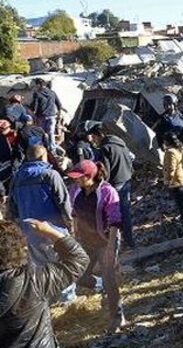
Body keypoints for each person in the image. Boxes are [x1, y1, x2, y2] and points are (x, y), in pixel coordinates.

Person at [0, 219, 88, 348]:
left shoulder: (34, 279)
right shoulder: (35, 280)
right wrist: (52, 232)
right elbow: (79, 260)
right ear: (21, 248)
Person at [67, 160, 126, 333]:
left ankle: (118, 316)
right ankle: (100, 286)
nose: (76, 180)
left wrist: (110, 248)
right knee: (80, 276)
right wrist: (74, 234)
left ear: (90, 176)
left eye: (79, 177)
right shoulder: (76, 190)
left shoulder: (107, 192)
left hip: (105, 240)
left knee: (109, 277)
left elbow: (115, 222)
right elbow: (75, 214)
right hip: (85, 241)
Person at [8, 144, 72, 267]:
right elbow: (64, 202)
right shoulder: (50, 175)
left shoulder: (16, 178)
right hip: (54, 230)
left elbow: (12, 208)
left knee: (41, 270)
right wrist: (70, 221)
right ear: (44, 156)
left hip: (30, 232)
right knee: (63, 268)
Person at [87, 123, 136, 248]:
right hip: (126, 181)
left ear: (100, 135)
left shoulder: (105, 149)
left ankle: (117, 243)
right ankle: (129, 241)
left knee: (114, 215)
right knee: (125, 212)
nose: (93, 139)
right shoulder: (120, 143)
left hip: (115, 185)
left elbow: (105, 172)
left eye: (94, 136)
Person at [161, 133, 183, 220]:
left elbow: (171, 169)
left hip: (176, 181)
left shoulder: (170, 152)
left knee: (180, 202)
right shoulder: (181, 149)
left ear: (166, 142)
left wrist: (167, 181)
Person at [30, 78, 62, 152]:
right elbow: (59, 105)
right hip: (52, 116)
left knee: (40, 133)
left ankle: (38, 148)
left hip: (41, 116)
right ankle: (52, 149)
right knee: (51, 133)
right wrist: (59, 114)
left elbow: (34, 107)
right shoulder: (52, 93)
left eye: (36, 85)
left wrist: (32, 112)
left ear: (38, 84)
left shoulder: (37, 93)